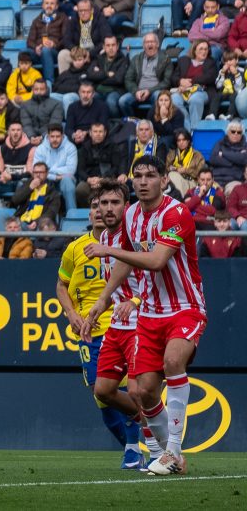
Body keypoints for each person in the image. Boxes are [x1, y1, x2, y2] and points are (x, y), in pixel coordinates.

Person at [82, 154, 207, 476]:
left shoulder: (176, 213)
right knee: (143, 392)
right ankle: (167, 455)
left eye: (150, 175)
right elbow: (127, 261)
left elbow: (156, 260)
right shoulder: (132, 214)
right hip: (150, 314)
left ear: (164, 180)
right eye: (137, 176)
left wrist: (109, 250)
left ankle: (173, 452)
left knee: (173, 361)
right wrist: (103, 299)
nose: (142, 181)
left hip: (185, 307)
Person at [58, 185, 150, 469]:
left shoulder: (128, 240)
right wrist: (72, 314)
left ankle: (140, 447)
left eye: (110, 203)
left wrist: (133, 301)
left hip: (125, 326)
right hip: (90, 332)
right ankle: (138, 443)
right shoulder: (75, 249)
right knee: (102, 397)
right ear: (90, 212)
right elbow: (61, 285)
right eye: (97, 205)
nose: (102, 210)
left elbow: (148, 278)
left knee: (131, 389)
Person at [0, 121, 34, 207]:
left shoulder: (31, 148)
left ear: (22, 132)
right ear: (8, 132)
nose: (15, 133)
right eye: (13, 130)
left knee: (24, 182)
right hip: (6, 182)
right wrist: (1, 176)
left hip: (21, 182)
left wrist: (12, 177)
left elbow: (30, 173)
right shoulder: (2, 148)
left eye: (18, 130)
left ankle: (19, 211)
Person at [171, 40, 218, 131]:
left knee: (195, 99)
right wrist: (180, 81)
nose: (204, 51)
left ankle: (195, 129)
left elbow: (210, 77)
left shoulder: (210, 62)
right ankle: (188, 129)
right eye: (201, 49)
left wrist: (190, 82)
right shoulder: (183, 60)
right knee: (173, 99)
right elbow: (174, 77)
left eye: (206, 49)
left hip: (202, 91)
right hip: (183, 91)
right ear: (194, 50)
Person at [209, 118, 247, 193]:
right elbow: (213, 159)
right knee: (211, 195)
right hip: (217, 179)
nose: (236, 134)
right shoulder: (219, 143)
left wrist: (223, 153)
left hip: (235, 180)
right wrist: (234, 161)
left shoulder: (245, 146)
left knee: (232, 193)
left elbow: (243, 159)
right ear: (228, 133)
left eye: (239, 132)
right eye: (233, 131)